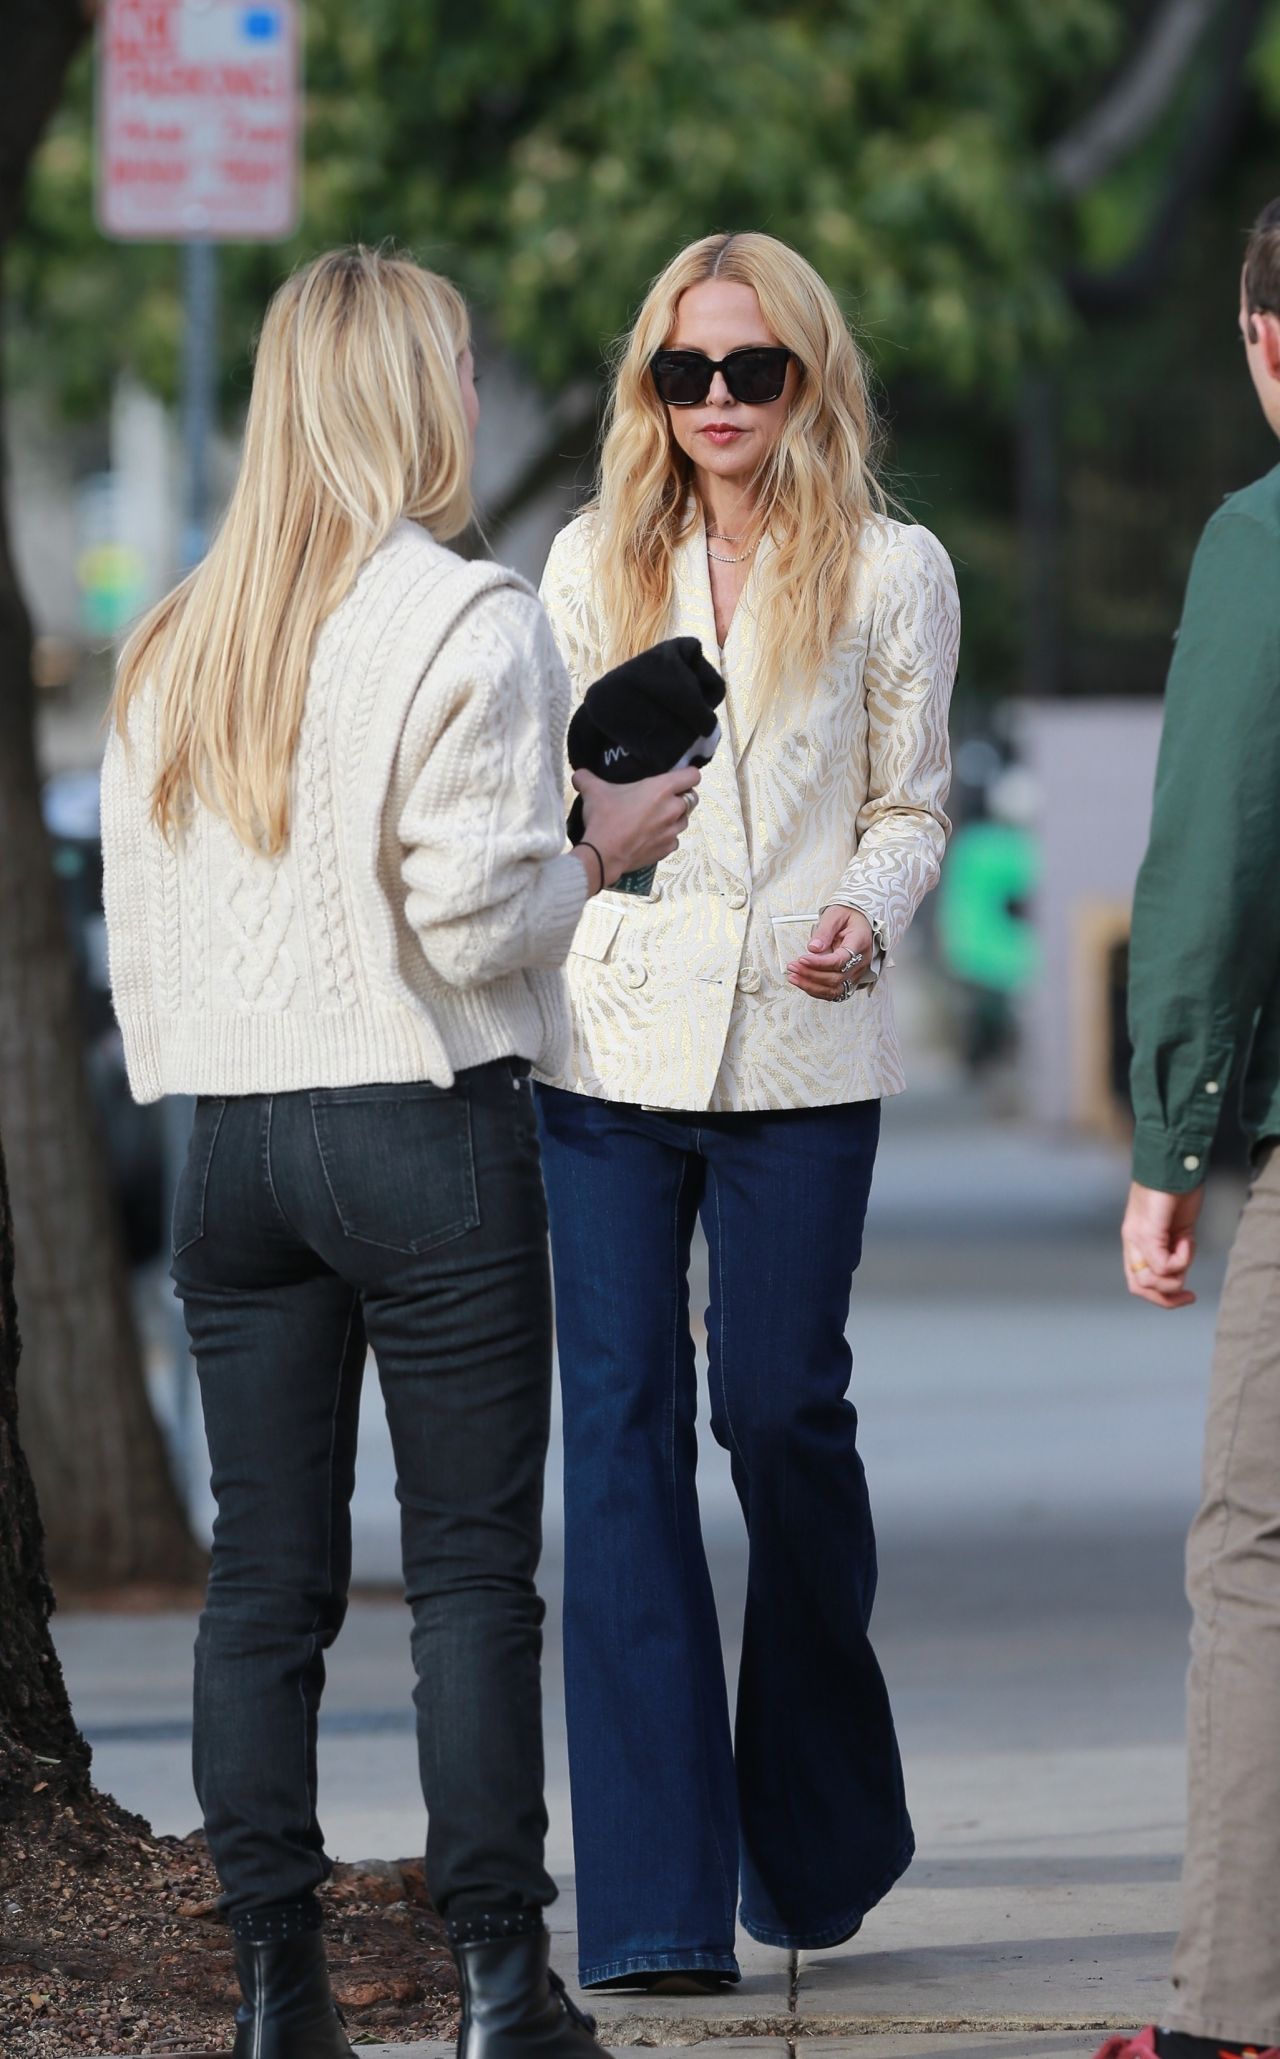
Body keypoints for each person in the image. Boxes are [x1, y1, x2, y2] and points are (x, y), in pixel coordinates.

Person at [100, 246, 696, 2059]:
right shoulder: (468, 614)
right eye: (450, 361)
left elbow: (152, 918)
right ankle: (505, 1993)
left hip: (239, 1148)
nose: (466, 391)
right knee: (463, 1582)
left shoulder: (180, 632)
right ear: (389, 394)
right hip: (425, 1131)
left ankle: (280, 1995)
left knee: (262, 1582)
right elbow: (466, 910)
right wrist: (594, 844)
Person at [534, 230, 960, 1991]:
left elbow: (914, 799)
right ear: (650, 385)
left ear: (808, 377)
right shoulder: (584, 563)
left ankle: (822, 1822)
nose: (717, 403)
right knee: (619, 1445)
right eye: (684, 373)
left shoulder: (891, 566)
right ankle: (648, 1909)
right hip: (612, 1053)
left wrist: (874, 913)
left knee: (782, 1421)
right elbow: (551, 799)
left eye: (751, 369)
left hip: (800, 1045)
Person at [1099, 198, 1280, 2059]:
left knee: (1261, 1550)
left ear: (1265, 342)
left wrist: (1174, 1140)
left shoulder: (1264, 540)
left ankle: (1241, 2009)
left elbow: (1218, 862)